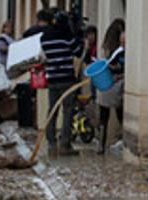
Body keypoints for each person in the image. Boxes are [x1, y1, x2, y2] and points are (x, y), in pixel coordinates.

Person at [40, 10, 84, 155]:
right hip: (67, 79)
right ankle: (65, 144)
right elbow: (78, 51)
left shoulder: (45, 38)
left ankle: (51, 143)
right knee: (68, 111)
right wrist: (79, 37)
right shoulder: (66, 37)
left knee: (52, 110)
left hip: (52, 78)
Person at [97, 19, 125, 154]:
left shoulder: (107, 48)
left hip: (104, 85)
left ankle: (101, 145)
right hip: (115, 86)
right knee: (120, 114)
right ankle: (121, 139)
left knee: (104, 117)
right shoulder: (120, 52)